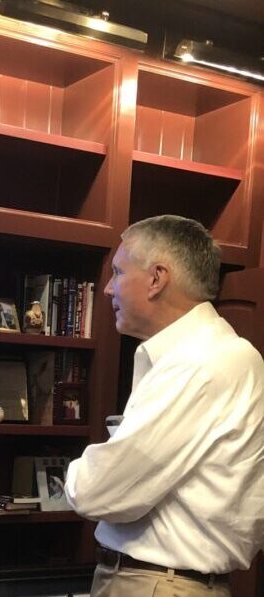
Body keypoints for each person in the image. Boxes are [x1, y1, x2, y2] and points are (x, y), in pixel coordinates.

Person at [64, 215, 264, 597]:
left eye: (119, 272)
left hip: (157, 584)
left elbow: (101, 490)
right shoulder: (208, 355)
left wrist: (76, 474)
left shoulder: (200, 361)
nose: (107, 289)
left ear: (157, 278)